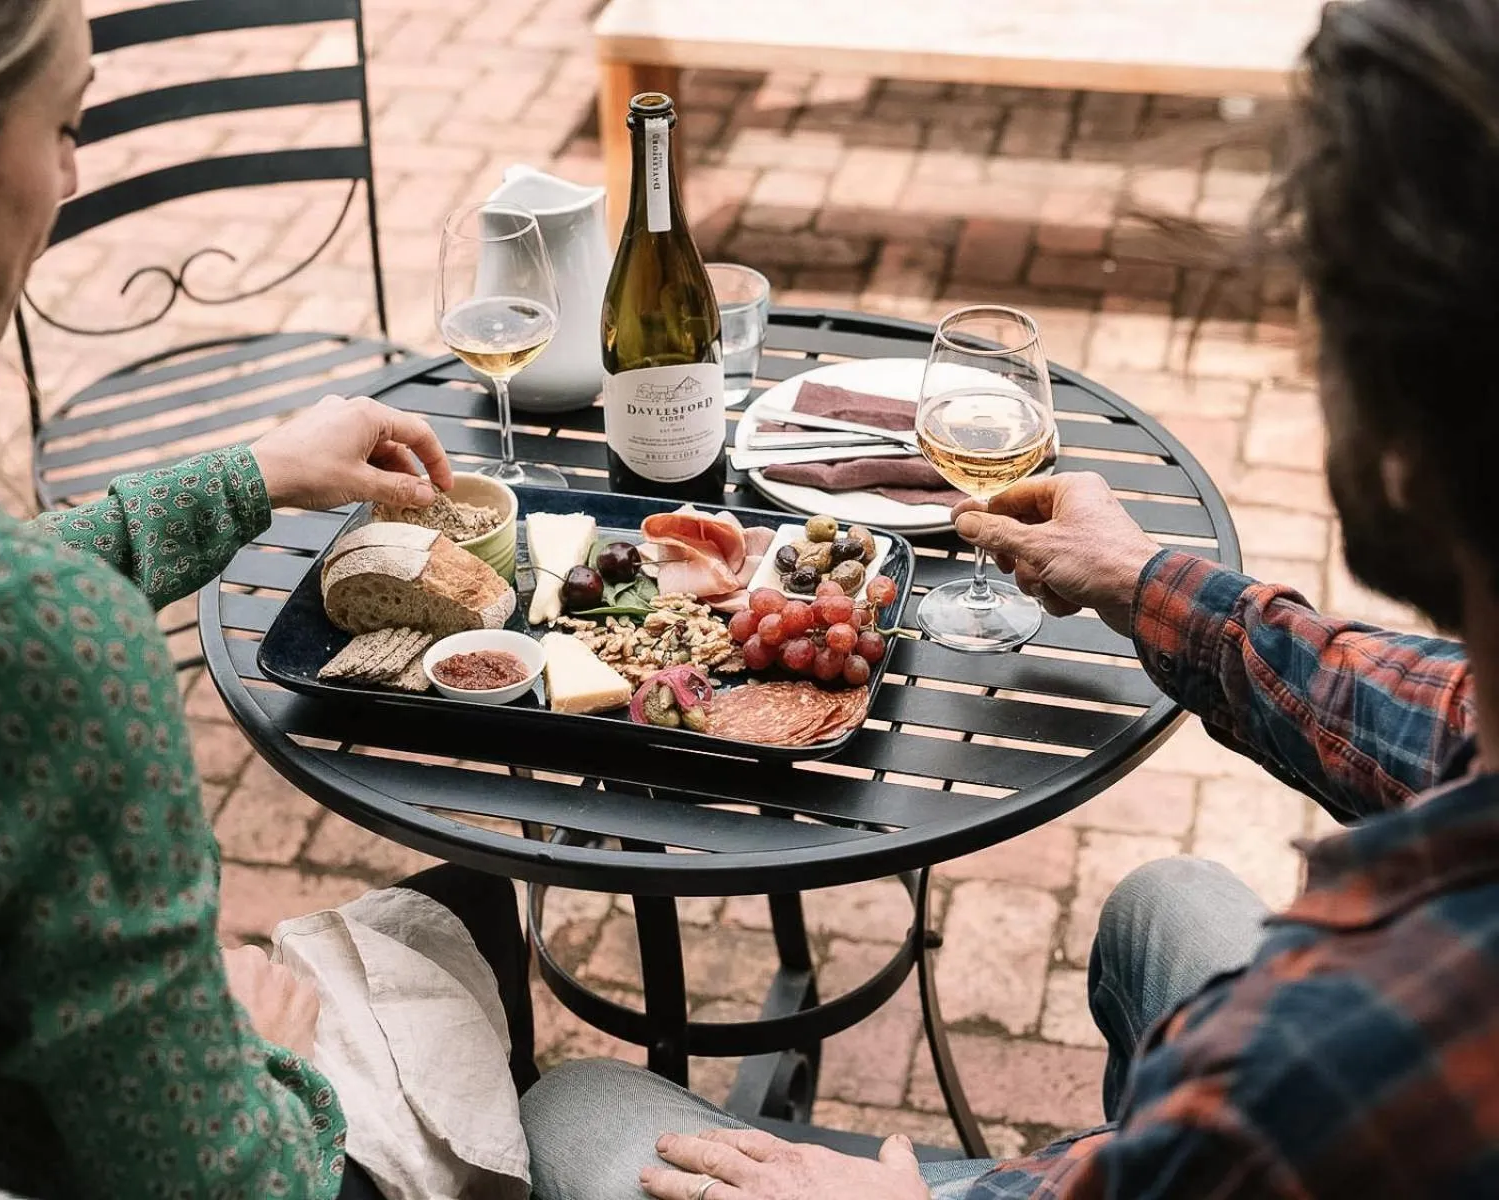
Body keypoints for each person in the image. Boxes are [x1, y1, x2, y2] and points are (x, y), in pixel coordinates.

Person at [518, 0, 1499, 1196]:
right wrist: (1147, 584)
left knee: (573, 1110)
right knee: (1170, 901)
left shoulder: (1328, 1054)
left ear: (1400, 460)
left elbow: (1178, 1158)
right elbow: (1447, 718)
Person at [0, 1, 535, 1197]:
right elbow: (219, 1177)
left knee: (464, 909)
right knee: (469, 930)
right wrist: (271, 1057)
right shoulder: (40, 641)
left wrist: (254, 475)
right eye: (65, 128)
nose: (70, 179)